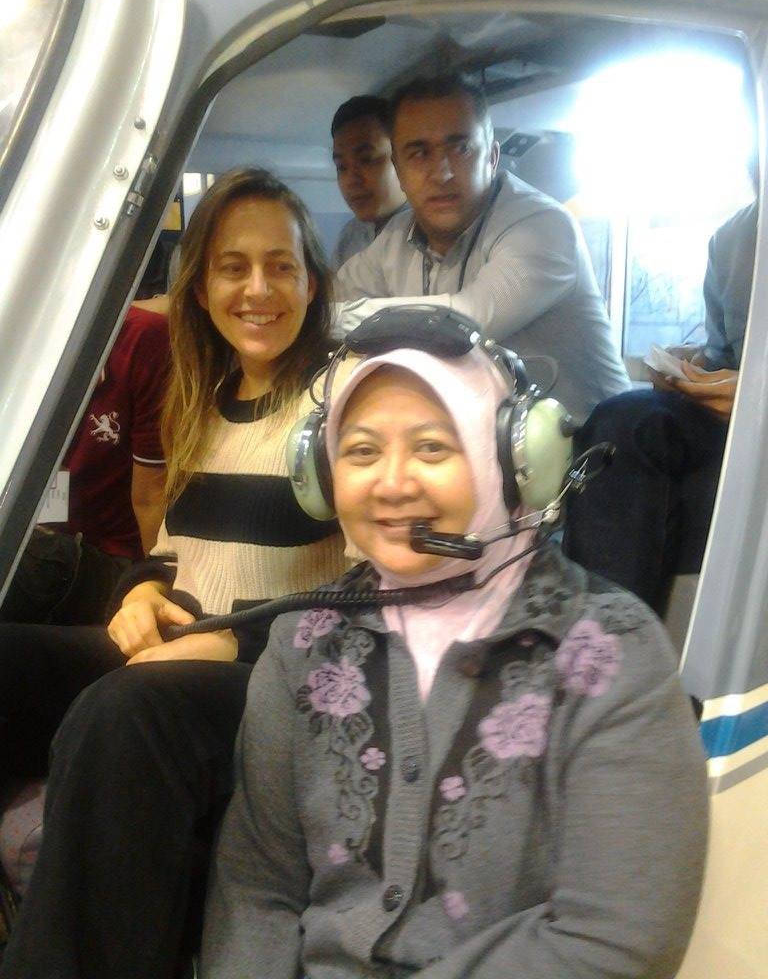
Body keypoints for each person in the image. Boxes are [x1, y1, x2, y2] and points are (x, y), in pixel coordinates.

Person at [201, 316, 708, 979]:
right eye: (360, 451)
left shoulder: (612, 651)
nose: (392, 484)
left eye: (432, 448)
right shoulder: (303, 643)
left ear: (515, 464)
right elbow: (255, 890)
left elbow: (617, 939)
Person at [0, 167, 348, 979]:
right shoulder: (202, 396)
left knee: (126, 710)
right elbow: (169, 549)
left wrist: (236, 644)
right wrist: (142, 593)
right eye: (233, 267)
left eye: (281, 266)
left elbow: (379, 593)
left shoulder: (345, 397)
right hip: (186, 642)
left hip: (282, 669)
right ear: (200, 287)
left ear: (312, 282)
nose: (257, 289)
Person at [334, 74, 630, 422]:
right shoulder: (396, 238)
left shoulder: (544, 225)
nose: (442, 173)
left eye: (460, 148)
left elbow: (467, 319)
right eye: (419, 153)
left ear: (491, 157)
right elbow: (329, 296)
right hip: (485, 441)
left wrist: (330, 319)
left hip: (593, 442)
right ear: (399, 170)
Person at [563, 200, 757, 612]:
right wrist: (694, 368)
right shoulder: (733, 238)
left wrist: (758, 397)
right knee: (626, 422)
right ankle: (604, 635)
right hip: (744, 438)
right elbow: (728, 357)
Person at [0, 304, 169, 625]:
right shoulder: (17, 324)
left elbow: (152, 496)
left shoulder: (143, 339)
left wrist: (154, 586)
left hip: (102, 554)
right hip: (27, 530)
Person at [331, 95, 407, 270]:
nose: (351, 180)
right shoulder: (350, 238)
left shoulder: (433, 233)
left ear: (403, 158)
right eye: (341, 167)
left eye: (366, 159)